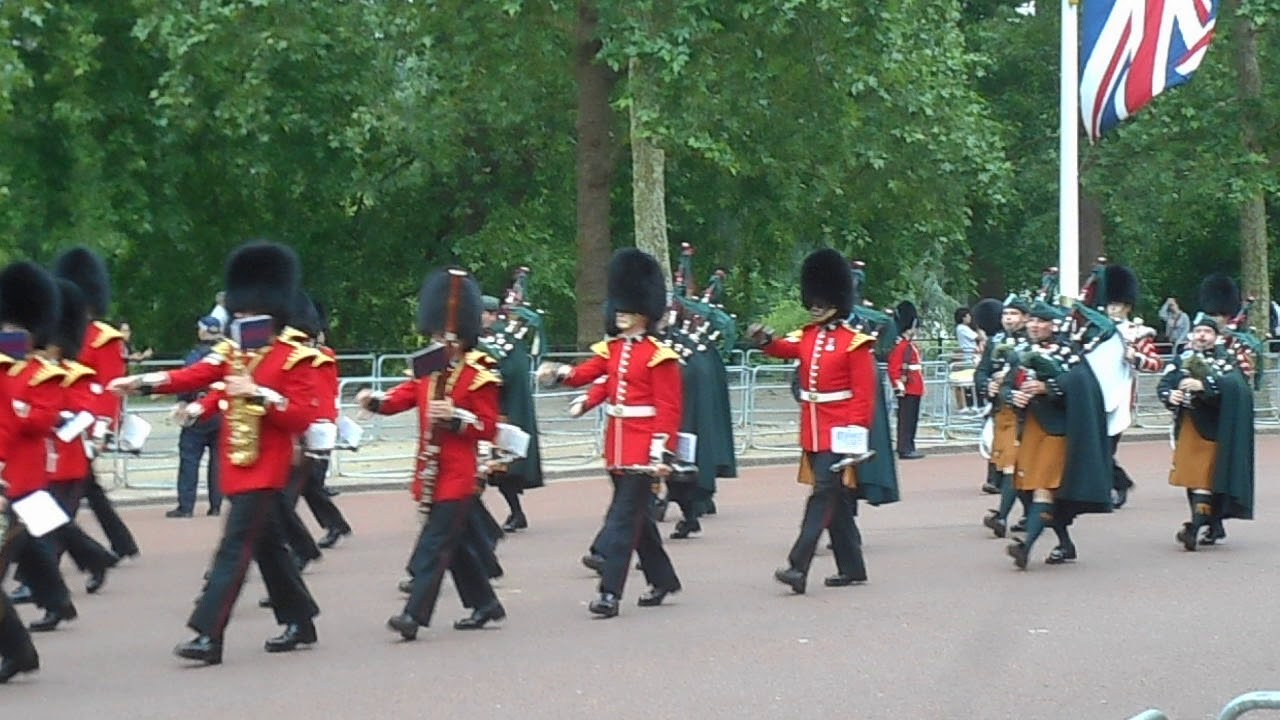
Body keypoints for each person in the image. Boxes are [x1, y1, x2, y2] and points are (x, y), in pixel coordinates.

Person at [110, 241, 323, 666]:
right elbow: (196, 373)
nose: (240, 319)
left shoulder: (296, 356)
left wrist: (259, 394)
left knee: (234, 548)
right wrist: (144, 383)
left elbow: (300, 415)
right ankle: (301, 618)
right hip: (237, 462)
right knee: (268, 549)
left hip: (267, 465)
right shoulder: (233, 352)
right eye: (238, 312)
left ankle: (209, 633)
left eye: (247, 312)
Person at [358, 267, 507, 640]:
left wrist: (457, 417)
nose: (439, 340)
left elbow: (489, 427)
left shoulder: (481, 373)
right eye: (438, 333)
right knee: (454, 549)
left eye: (446, 335)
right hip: (430, 470)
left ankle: (414, 615)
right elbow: (405, 397)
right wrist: (376, 402)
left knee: (435, 546)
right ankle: (485, 604)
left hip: (459, 474)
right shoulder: (429, 369)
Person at [538, 248, 683, 618]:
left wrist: (662, 453)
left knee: (621, 521)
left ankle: (610, 593)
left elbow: (668, 409)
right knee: (638, 520)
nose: (618, 313)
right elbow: (590, 374)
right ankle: (663, 579)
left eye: (626, 308)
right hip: (617, 443)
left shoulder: (659, 356)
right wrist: (560, 375)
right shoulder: (615, 349)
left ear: (643, 313)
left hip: (643, 448)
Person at [750, 247, 874, 595]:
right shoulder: (808, 336)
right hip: (814, 429)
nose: (816, 306)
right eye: (813, 300)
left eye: (822, 300)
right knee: (832, 500)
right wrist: (764, 340)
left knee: (822, 495)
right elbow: (783, 349)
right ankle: (852, 568)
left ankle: (797, 565)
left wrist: (856, 437)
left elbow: (863, 396)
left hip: (840, 433)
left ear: (837, 300)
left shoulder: (856, 343)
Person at [0, 262, 80, 633]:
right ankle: (59, 602)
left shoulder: (43, 373)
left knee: (18, 541)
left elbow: (44, 420)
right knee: (30, 544)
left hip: (27, 466)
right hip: (7, 462)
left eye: (16, 330)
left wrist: (19, 411)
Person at [1003, 301, 1112, 569]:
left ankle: (1025, 545)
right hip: (1030, 428)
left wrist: (1047, 387)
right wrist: (1010, 395)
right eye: (1032, 321)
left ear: (1053, 325)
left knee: (1043, 489)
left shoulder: (1070, 353)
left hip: (1058, 431)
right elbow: (1006, 385)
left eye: (1041, 322)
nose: (1035, 326)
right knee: (1028, 490)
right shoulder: (1021, 352)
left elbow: (1078, 384)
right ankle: (1065, 543)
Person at [53, 247, 141, 560]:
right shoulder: (60, 334)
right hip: (63, 425)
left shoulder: (105, 337)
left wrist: (101, 430)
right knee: (87, 487)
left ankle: (60, 557)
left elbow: (109, 388)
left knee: (71, 493)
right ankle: (120, 544)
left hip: (88, 425)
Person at [1159, 314, 1254, 551]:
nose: (1201, 335)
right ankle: (1213, 523)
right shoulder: (1182, 358)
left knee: (1203, 478)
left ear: (1217, 337)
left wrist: (1205, 386)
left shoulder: (1227, 361)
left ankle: (1194, 527)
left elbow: (1237, 387)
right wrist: (1170, 395)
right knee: (1192, 479)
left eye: (1207, 332)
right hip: (1188, 424)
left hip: (1214, 428)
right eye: (1198, 331)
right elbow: (1165, 383)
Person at [1091, 265, 1163, 510]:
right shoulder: (1094, 330)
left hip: (1120, 396)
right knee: (1093, 445)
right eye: (1110, 304)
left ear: (1127, 307)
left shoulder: (1138, 333)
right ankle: (1109, 485)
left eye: (1117, 305)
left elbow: (1155, 363)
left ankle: (1119, 483)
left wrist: (1137, 358)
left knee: (1104, 447)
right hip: (1094, 393)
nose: (1112, 309)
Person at [479, 294, 544, 533]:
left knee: (497, 468)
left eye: (483, 313)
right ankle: (512, 514)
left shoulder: (509, 341)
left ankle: (513, 514)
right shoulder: (479, 340)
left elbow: (513, 373)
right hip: (484, 409)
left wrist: (493, 373)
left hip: (503, 411)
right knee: (487, 468)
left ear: (494, 315)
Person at [977, 296, 1032, 531]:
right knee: (1011, 464)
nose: (1008, 318)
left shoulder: (1033, 342)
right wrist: (987, 384)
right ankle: (1034, 514)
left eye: (1014, 314)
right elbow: (981, 372)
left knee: (1013, 464)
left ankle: (1001, 516)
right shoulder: (994, 341)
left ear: (1025, 318)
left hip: (1026, 412)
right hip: (1002, 410)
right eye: (1005, 314)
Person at [167, 316, 225, 518]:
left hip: (198, 410)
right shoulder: (228, 353)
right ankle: (216, 504)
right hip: (221, 411)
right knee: (217, 462)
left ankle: (186, 506)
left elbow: (188, 378)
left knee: (189, 459)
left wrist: (183, 401)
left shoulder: (196, 355)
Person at [888, 301, 924, 460]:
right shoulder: (901, 346)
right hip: (907, 388)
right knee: (906, 420)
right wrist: (899, 386)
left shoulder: (908, 345)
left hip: (914, 387)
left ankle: (909, 445)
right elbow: (894, 369)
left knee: (912, 420)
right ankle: (904, 448)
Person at [953, 307, 980, 412]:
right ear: (964, 317)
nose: (970, 318)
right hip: (970, 356)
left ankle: (971, 403)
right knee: (970, 380)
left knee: (970, 380)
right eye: (968, 316)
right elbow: (977, 337)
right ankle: (970, 403)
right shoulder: (962, 328)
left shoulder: (962, 328)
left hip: (970, 355)